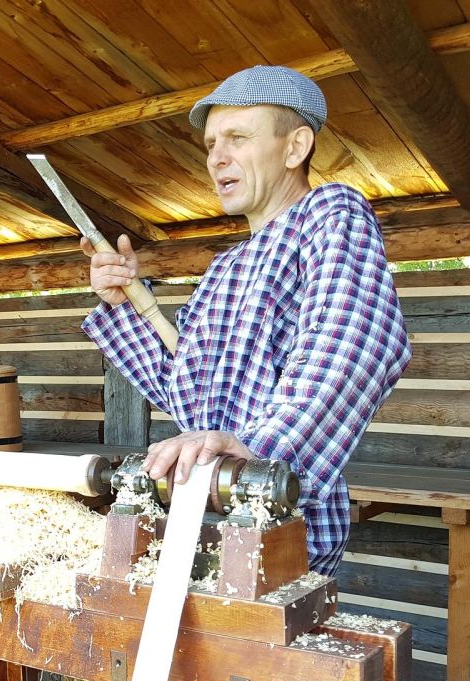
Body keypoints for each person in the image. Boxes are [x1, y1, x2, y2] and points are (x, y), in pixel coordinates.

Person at [81, 65, 411, 575]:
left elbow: (354, 342)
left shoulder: (329, 213)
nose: (217, 158)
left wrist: (259, 449)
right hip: (201, 516)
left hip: (280, 522)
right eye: (211, 144)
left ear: (295, 147)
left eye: (237, 137)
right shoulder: (226, 267)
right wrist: (124, 303)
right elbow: (183, 390)